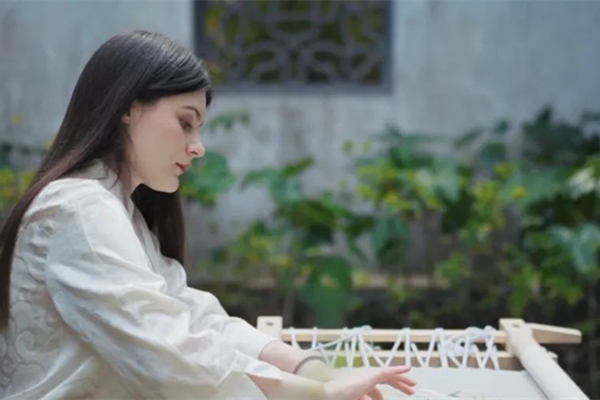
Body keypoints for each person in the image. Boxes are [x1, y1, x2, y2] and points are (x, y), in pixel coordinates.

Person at [0, 30, 416, 399]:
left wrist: (313, 370)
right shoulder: (80, 209)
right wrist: (316, 394)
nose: (197, 147)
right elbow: (166, 351)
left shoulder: (114, 211)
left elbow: (194, 316)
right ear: (128, 107)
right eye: (186, 123)